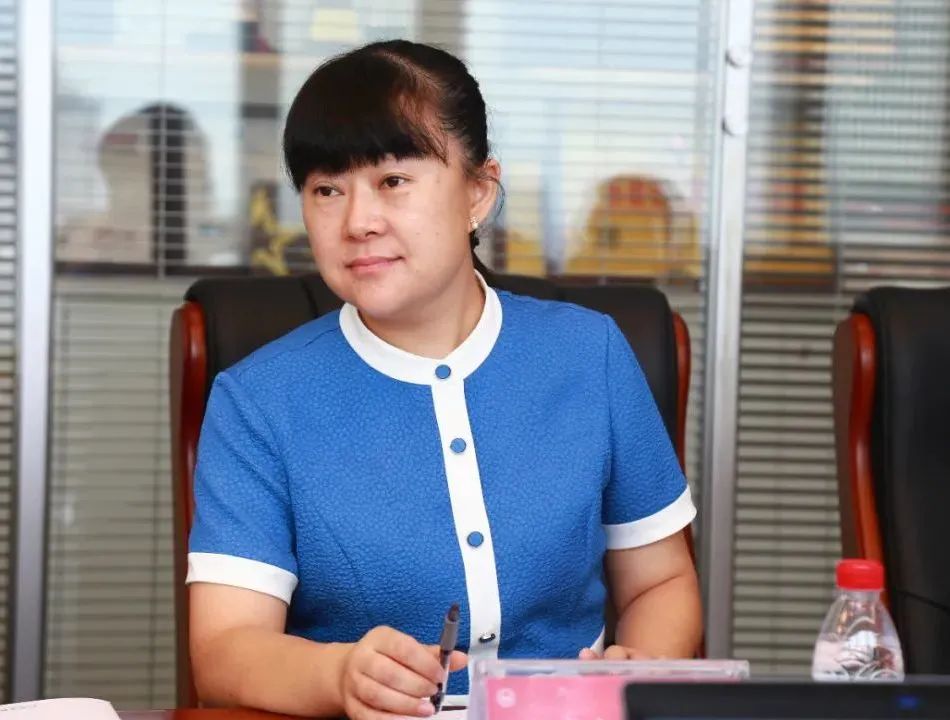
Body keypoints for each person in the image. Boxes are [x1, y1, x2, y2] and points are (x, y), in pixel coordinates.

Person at [186, 39, 702, 720]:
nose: (358, 222)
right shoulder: (257, 401)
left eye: (393, 181)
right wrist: (338, 675)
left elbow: (660, 584)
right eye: (327, 190)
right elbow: (225, 649)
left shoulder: (590, 353)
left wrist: (635, 671)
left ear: (478, 192)